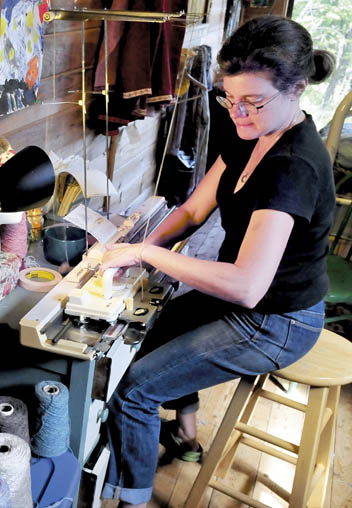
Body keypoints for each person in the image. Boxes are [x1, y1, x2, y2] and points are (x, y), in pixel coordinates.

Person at [98, 15, 336, 508]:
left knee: (135, 390)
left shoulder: (294, 166)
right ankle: (186, 436)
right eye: (229, 98)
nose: (238, 113)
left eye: (254, 101)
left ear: (297, 89)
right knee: (155, 331)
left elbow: (247, 285)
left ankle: (130, 501)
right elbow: (192, 210)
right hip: (248, 300)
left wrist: (146, 253)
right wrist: (143, 250)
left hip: (277, 320)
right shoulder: (248, 132)